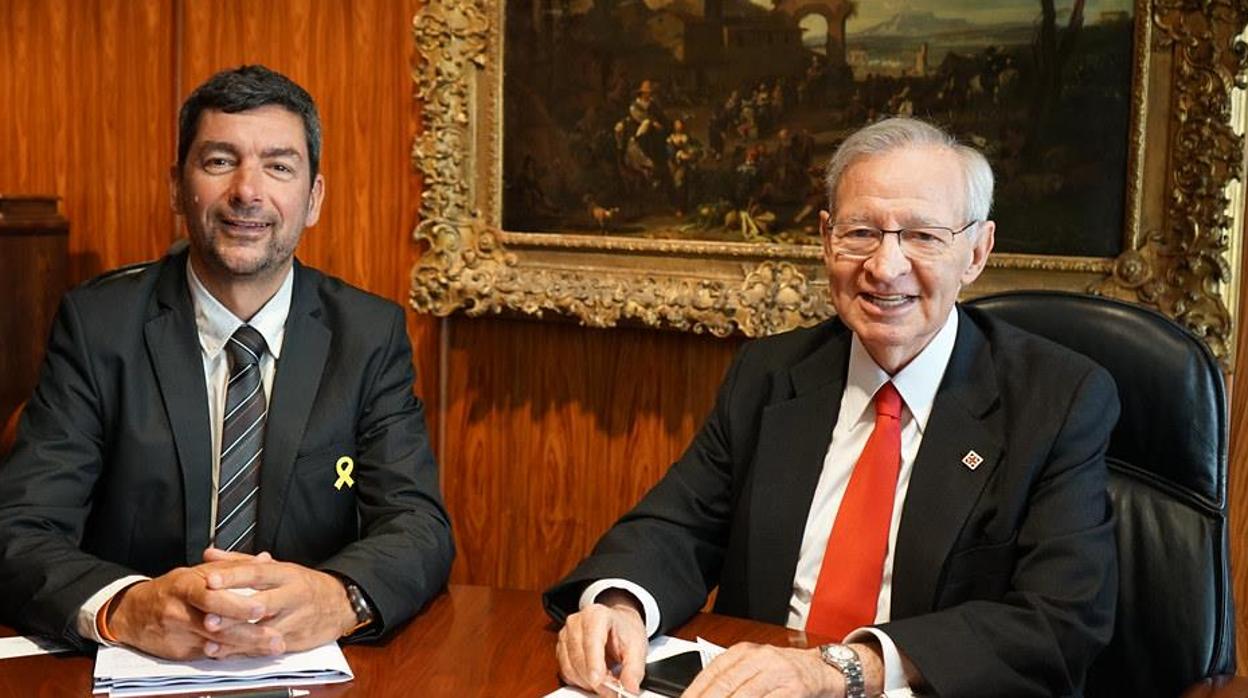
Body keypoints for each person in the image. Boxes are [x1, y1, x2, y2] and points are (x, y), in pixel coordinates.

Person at [544, 117, 1117, 697]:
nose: (885, 267)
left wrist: (844, 670)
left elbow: (1058, 620)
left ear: (975, 251)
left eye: (922, 236)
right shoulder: (769, 375)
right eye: (861, 232)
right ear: (826, 239)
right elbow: (677, 526)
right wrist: (620, 604)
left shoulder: (1057, 401)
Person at [0, 65, 454, 660]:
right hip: (137, 669)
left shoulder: (367, 336)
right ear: (176, 187)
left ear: (313, 198)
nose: (248, 190)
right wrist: (124, 606)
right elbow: (20, 528)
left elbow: (418, 525)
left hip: (304, 668)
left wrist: (336, 597)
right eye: (219, 161)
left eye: (279, 166)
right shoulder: (98, 327)